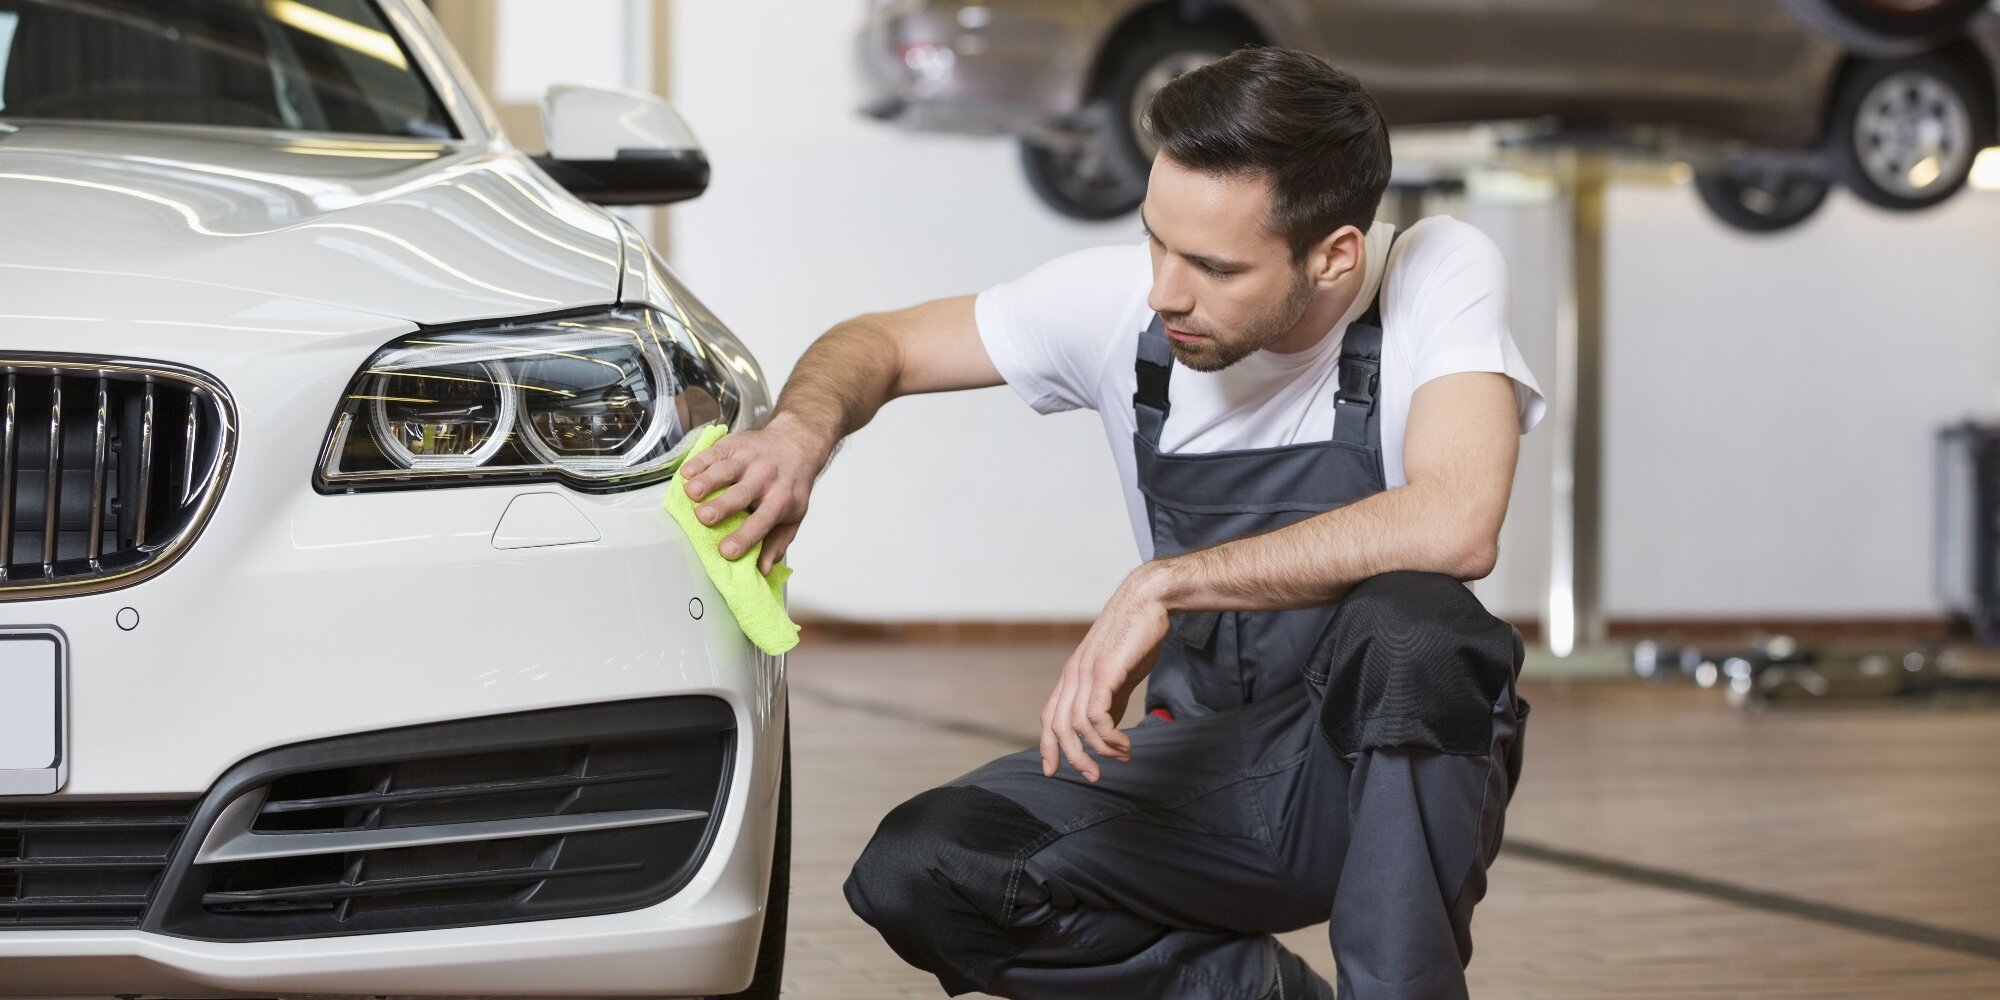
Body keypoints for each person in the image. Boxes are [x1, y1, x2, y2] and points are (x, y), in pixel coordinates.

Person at [678, 46, 1544, 1000]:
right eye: (1154, 241)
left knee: (1420, 626)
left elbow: (1458, 519)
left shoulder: (1433, 272)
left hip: (1379, 765)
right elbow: (878, 343)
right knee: (925, 867)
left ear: (1334, 254)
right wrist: (802, 433)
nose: (1167, 290)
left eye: (1213, 266)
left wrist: (1165, 581)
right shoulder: (1126, 309)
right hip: (1208, 767)